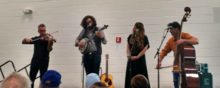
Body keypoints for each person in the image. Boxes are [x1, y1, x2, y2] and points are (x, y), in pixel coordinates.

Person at [155, 21, 199, 88]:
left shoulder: (184, 35)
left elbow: (196, 41)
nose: (170, 31)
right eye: (169, 29)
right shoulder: (171, 40)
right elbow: (164, 52)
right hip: (176, 67)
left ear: (177, 29)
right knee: (176, 85)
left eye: (171, 29)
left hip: (186, 68)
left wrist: (184, 41)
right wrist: (159, 61)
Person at [22, 24, 55, 88]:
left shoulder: (48, 39)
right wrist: (26, 39)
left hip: (44, 62)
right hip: (35, 61)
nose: (43, 32)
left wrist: (49, 41)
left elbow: (49, 49)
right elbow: (23, 42)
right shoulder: (37, 39)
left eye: (44, 31)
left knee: (43, 79)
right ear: (38, 31)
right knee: (31, 78)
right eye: (41, 31)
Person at [125, 22, 151, 88]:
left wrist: (138, 56)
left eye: (135, 27)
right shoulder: (130, 37)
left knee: (141, 75)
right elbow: (128, 47)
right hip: (131, 59)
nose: (133, 28)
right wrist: (128, 55)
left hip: (140, 59)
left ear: (139, 29)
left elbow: (145, 48)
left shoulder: (145, 38)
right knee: (130, 75)